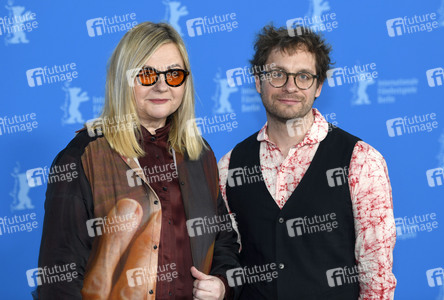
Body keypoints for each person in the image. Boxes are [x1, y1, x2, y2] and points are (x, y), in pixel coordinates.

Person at [35, 22, 240, 300]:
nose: (161, 85)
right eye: (146, 74)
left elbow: (223, 243)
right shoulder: (82, 156)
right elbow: (59, 278)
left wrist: (221, 284)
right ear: (123, 79)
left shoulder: (199, 154)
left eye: (174, 74)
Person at [218, 25, 397, 299]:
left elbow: (377, 276)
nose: (290, 86)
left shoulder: (361, 161)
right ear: (258, 81)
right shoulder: (229, 166)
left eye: (303, 76)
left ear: (318, 86)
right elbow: (226, 261)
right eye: (277, 74)